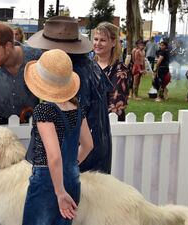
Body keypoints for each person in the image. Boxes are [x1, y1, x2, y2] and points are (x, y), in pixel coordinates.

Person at [27, 16, 112, 174]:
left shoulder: (69, 76)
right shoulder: (90, 66)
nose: (42, 51)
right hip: (92, 162)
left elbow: (65, 126)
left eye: (46, 48)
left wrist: (59, 169)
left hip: (75, 166)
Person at [22, 49, 93, 225]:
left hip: (48, 184)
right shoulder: (78, 109)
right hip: (72, 180)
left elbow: (53, 157)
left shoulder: (44, 110)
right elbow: (88, 145)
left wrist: (60, 192)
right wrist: (71, 166)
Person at [93, 22, 131, 121]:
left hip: (109, 125)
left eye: (103, 40)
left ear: (113, 42)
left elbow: (116, 103)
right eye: (96, 39)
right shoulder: (89, 66)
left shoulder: (120, 70)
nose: (97, 43)